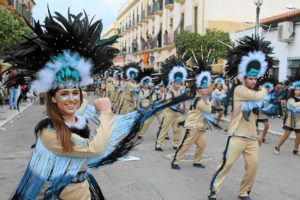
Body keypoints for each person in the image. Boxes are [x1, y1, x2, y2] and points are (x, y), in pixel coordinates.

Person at [4, 10, 186, 200]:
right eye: (64, 94)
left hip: (82, 189)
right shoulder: (49, 132)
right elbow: (95, 148)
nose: (72, 98)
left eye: (75, 92)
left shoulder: (77, 120)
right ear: (53, 99)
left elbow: (96, 143)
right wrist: (106, 113)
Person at [208, 36, 273, 200]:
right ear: (244, 78)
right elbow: (258, 96)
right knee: (227, 163)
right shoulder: (239, 90)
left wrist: (257, 135)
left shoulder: (253, 93)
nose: (252, 81)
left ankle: (244, 192)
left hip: (251, 138)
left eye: (254, 78)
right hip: (236, 134)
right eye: (250, 78)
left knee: (253, 166)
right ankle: (214, 190)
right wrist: (265, 89)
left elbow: (253, 116)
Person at [171, 67, 218, 169]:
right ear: (198, 89)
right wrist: (211, 100)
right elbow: (209, 110)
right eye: (203, 88)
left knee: (202, 145)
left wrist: (209, 99)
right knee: (186, 145)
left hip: (201, 126)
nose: (206, 89)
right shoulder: (199, 100)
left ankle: (197, 161)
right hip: (193, 126)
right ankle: (175, 162)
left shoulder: (203, 98)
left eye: (206, 87)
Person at [155, 58, 187, 151]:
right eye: (177, 83)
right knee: (164, 130)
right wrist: (179, 109)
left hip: (177, 115)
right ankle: (158, 145)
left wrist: (184, 105)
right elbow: (170, 104)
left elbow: (183, 100)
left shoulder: (180, 90)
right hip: (169, 114)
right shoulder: (169, 91)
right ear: (173, 83)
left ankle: (176, 144)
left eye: (179, 83)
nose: (178, 85)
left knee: (178, 130)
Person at [273, 80, 300, 156]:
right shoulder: (291, 99)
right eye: (297, 90)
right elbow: (294, 106)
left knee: (299, 135)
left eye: (299, 90)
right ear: (294, 90)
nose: (298, 91)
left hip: (299, 120)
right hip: (290, 119)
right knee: (286, 134)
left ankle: (295, 150)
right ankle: (277, 147)